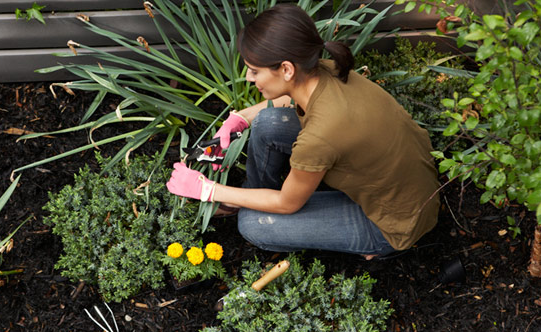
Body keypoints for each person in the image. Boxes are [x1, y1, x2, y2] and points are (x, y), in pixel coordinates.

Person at [166, 3, 440, 258]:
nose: (249, 78)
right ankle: (255, 194)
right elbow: (291, 97)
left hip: (393, 222)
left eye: (254, 71)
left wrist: (209, 191)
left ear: (286, 69)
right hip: (409, 181)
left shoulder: (319, 137)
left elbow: (288, 204)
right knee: (266, 122)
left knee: (253, 224)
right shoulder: (325, 70)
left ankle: (377, 247)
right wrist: (240, 118)